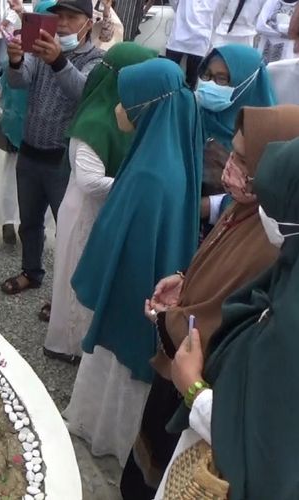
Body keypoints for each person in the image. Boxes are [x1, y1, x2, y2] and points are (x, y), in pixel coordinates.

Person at [120, 105, 299, 500]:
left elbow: (266, 433)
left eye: (243, 159)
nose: (229, 167)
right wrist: (186, 283)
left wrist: (194, 383)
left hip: (211, 410)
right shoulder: (248, 209)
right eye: (232, 154)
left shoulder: (273, 237)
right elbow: (221, 270)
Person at [65, 58, 203, 466]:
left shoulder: (149, 175)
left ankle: (105, 435)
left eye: (125, 102)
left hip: (134, 291)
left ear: (146, 106)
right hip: (147, 286)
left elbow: (128, 242)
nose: (117, 109)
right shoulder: (167, 153)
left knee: (116, 369)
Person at [42, 42, 158, 363]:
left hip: (101, 210)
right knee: (75, 275)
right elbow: (90, 182)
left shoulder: (125, 116)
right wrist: (136, 185)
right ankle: (66, 344)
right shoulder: (95, 120)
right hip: (85, 212)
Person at [0, 0, 104, 295]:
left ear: (89, 22)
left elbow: (85, 92)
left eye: (72, 17)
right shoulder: (40, 49)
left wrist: (59, 62)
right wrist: (17, 60)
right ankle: (31, 272)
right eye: (58, 16)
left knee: (68, 230)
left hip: (64, 160)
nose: (62, 23)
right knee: (29, 222)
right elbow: (19, 81)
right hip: (31, 150)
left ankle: (66, 293)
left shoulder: (96, 59)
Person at [195, 45, 276, 238]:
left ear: (249, 82)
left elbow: (265, 200)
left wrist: (212, 206)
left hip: (227, 237)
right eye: (206, 75)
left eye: (221, 79)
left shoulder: (266, 137)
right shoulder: (194, 117)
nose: (210, 84)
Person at [0, 0, 54, 245]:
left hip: (43, 132)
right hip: (19, 127)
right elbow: (10, 84)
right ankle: (9, 222)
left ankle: (28, 225)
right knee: (14, 177)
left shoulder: (57, 51)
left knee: (37, 183)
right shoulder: (20, 45)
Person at [165, 0, 218, 88]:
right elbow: (218, 15)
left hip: (178, 36)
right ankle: (187, 100)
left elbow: (174, 3)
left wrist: (181, 13)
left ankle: (169, 100)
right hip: (201, 39)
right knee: (191, 81)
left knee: (168, 77)